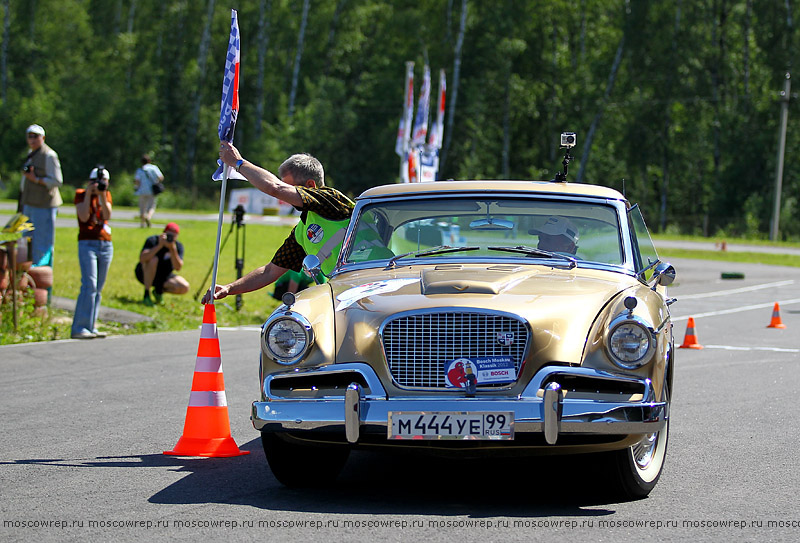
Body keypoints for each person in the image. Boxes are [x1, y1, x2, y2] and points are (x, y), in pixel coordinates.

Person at [202, 143, 354, 304]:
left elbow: (275, 188)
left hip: (372, 282)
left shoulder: (331, 198)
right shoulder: (302, 231)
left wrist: (238, 163)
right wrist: (229, 288)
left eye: (290, 188)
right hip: (343, 295)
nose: (284, 197)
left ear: (310, 186)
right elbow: (269, 272)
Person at [71, 167, 113, 339]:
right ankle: (79, 327)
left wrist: (102, 195)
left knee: (98, 287)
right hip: (87, 243)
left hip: (105, 244)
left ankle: (91, 325)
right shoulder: (81, 194)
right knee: (89, 285)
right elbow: (83, 216)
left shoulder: (106, 194)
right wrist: (89, 194)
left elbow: (107, 215)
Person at [20, 124, 63, 267]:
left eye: (36, 136)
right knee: (26, 242)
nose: (32, 139)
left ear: (43, 138)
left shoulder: (49, 155)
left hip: (44, 206)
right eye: (30, 136)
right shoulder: (31, 153)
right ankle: (28, 277)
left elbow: (57, 180)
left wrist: (37, 179)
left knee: (42, 244)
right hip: (29, 204)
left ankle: (43, 279)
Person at [135, 223, 190, 306]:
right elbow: (142, 258)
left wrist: (172, 249)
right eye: (169, 234)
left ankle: (158, 292)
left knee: (184, 287)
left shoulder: (177, 246)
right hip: (145, 273)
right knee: (153, 260)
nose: (170, 237)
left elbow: (178, 267)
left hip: (164, 276)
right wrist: (159, 246)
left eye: (173, 235)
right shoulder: (153, 240)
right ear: (164, 233)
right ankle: (146, 294)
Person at [133, 154, 164, 228]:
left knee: (142, 207)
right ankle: (148, 217)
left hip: (142, 191)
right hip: (151, 190)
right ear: (149, 161)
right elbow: (161, 177)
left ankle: (142, 223)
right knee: (151, 206)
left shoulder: (139, 170)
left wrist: (137, 187)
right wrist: (156, 182)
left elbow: (137, 181)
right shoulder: (154, 168)